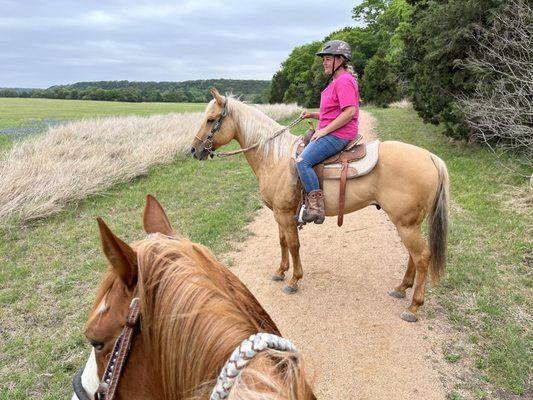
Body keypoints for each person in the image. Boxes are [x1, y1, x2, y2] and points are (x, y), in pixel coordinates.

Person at [296, 39, 360, 224]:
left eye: (328, 59)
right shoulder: (337, 81)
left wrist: (323, 131)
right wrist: (313, 114)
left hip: (339, 134)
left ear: (340, 60)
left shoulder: (344, 81)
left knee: (303, 161)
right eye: (323, 59)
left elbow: (350, 112)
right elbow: (331, 113)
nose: (324, 62)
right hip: (334, 130)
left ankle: (316, 208)